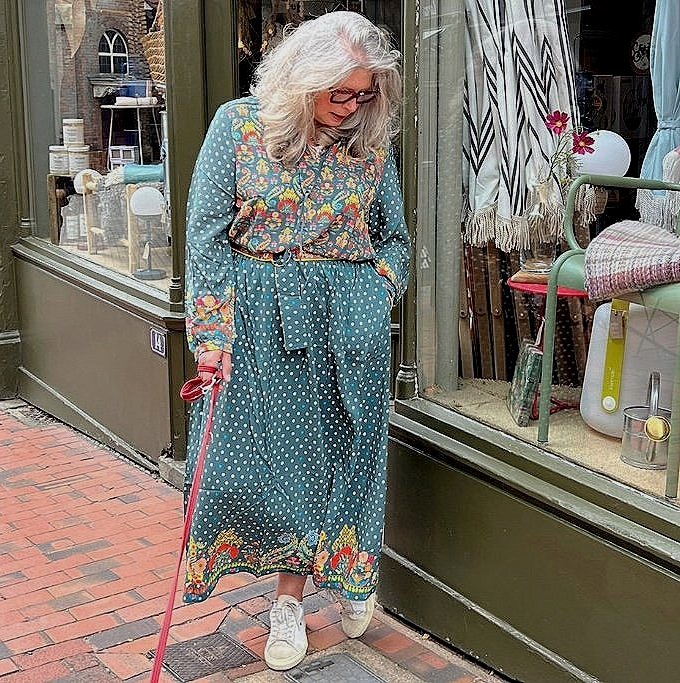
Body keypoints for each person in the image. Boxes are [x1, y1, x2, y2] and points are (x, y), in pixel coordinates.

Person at [183, 10, 410, 672]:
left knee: (347, 456)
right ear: (303, 77)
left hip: (348, 324)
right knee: (265, 467)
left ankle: (340, 576)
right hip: (260, 321)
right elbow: (205, 235)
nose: (352, 107)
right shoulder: (238, 127)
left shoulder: (369, 146)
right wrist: (211, 332)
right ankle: (289, 596)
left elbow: (395, 239)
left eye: (364, 94)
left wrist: (374, 295)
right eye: (340, 93)